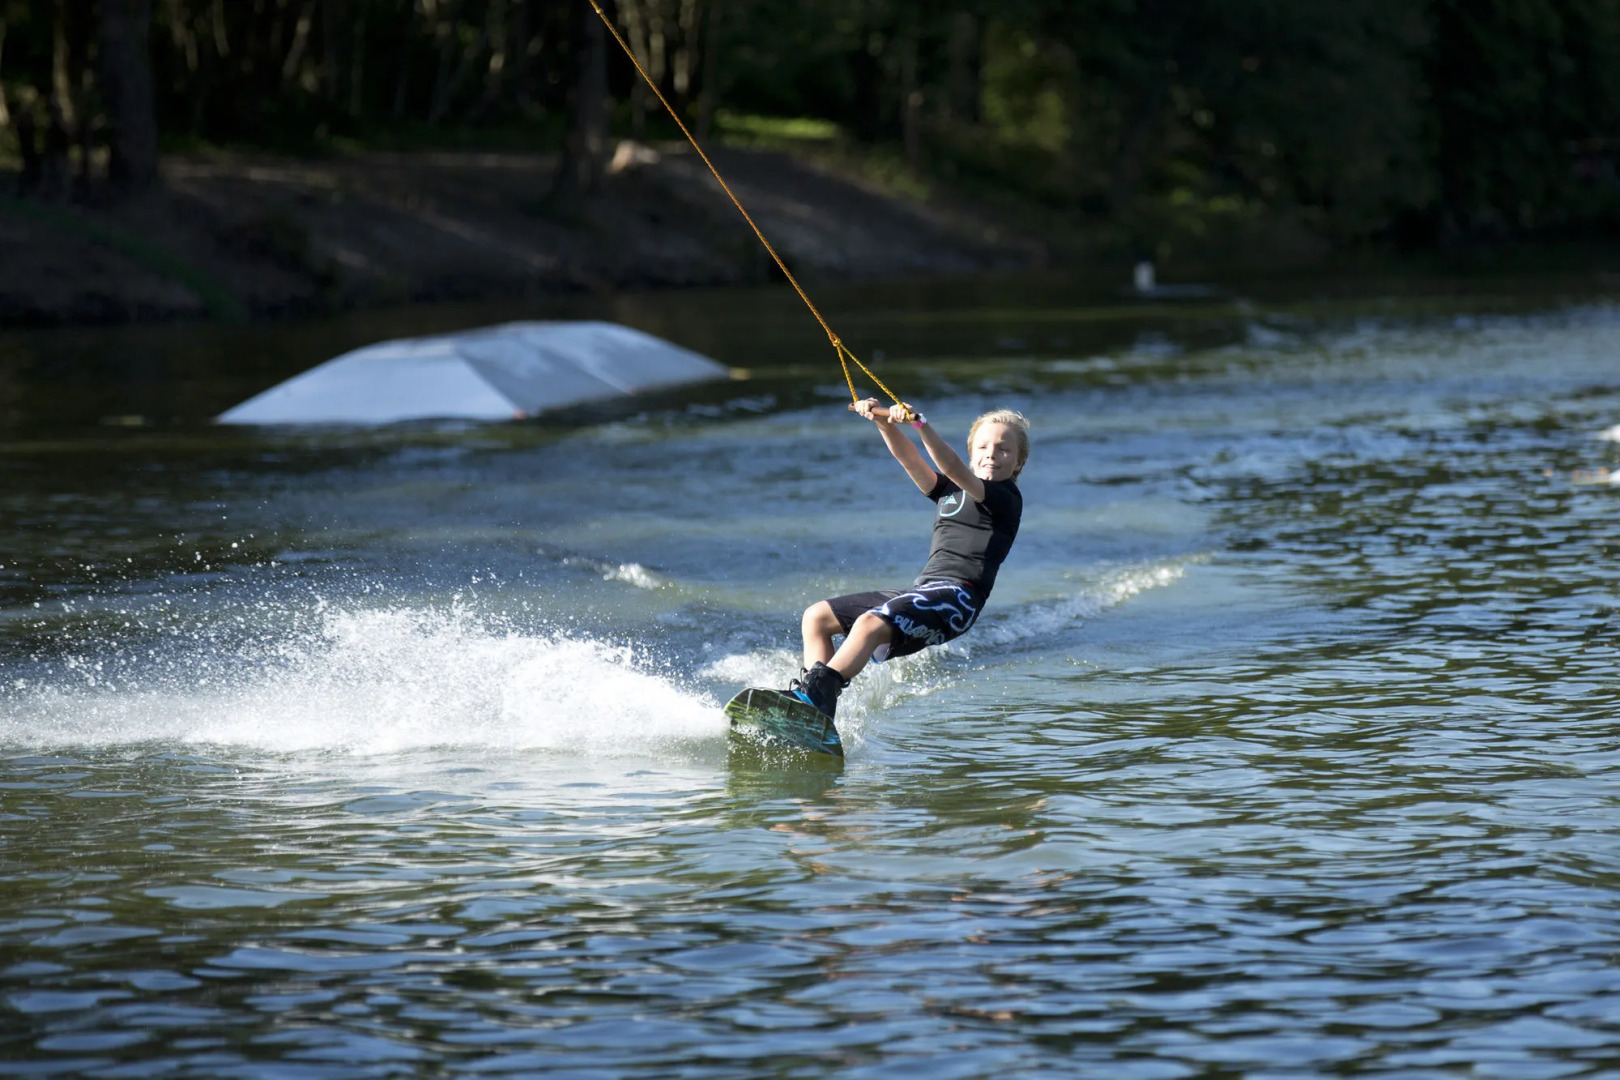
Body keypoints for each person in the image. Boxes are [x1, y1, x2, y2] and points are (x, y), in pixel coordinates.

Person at [786, 399, 1029, 719]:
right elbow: (909, 460)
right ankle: (813, 705)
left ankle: (815, 699)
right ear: (972, 453)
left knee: (870, 622)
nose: (991, 455)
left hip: (959, 600)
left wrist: (920, 424)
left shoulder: (1005, 497)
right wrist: (883, 423)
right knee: (817, 617)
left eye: (1003, 450)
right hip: (924, 591)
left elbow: (952, 467)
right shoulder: (949, 492)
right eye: (983, 446)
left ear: (1018, 464)